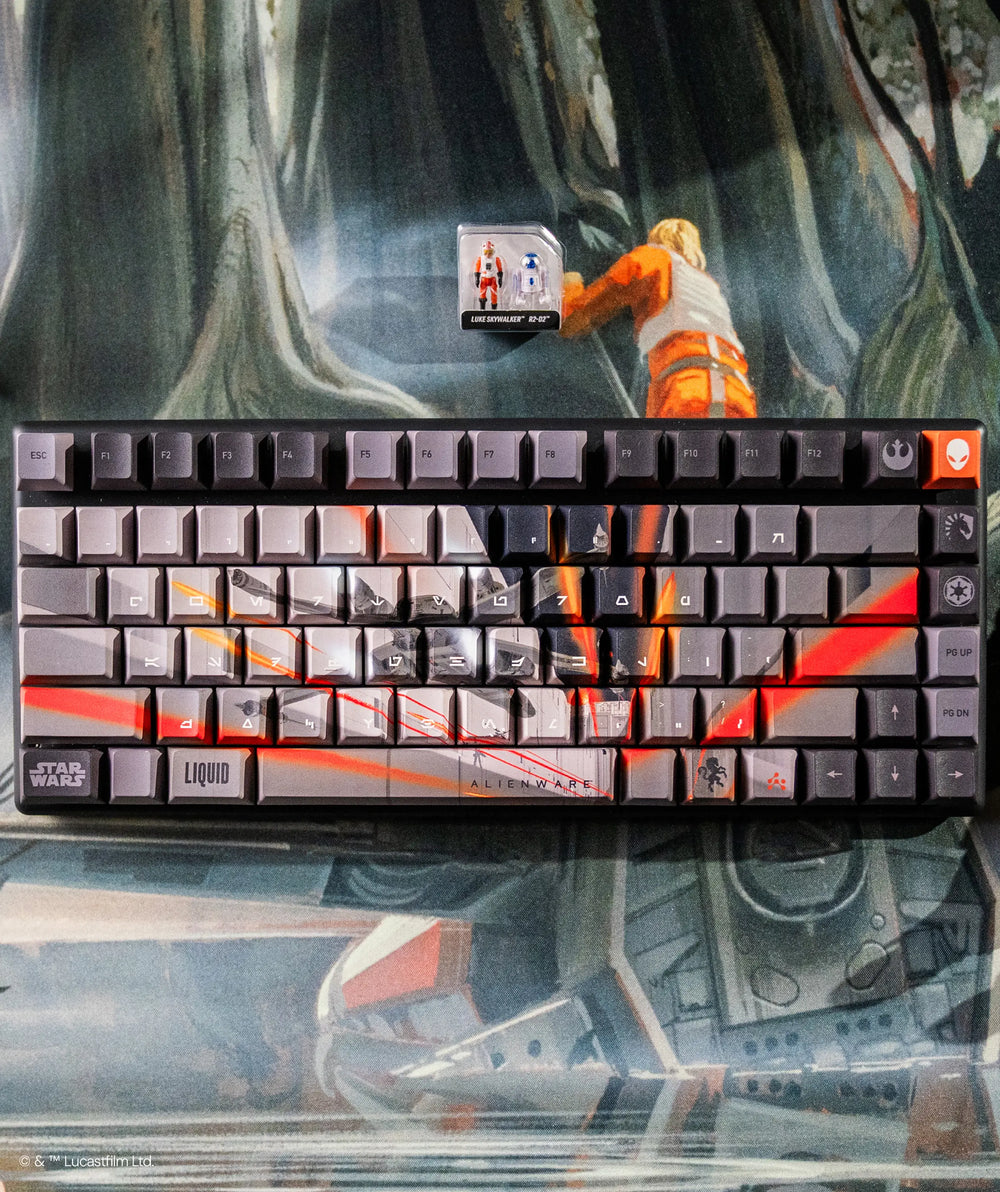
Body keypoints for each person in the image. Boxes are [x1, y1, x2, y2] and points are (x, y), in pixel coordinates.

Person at [560, 218, 756, 418]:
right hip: (730, 393)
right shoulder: (705, 285)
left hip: (694, 390)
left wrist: (570, 284)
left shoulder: (653, 257)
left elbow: (575, 320)